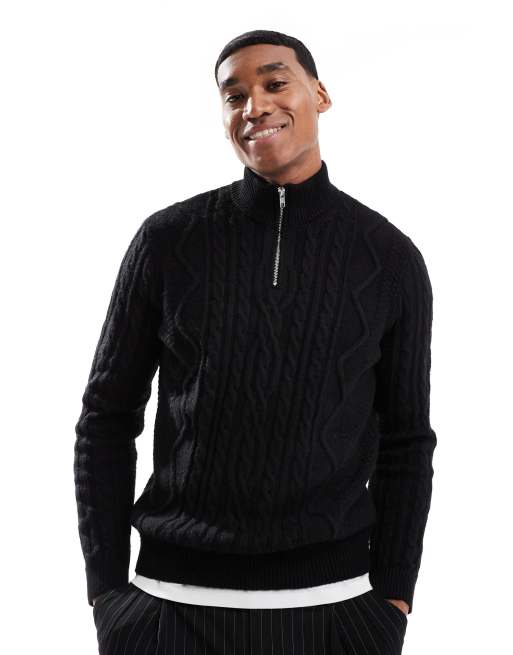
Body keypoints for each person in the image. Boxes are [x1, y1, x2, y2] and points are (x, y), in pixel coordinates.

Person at [74, 29, 437, 654]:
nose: (255, 107)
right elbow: (106, 418)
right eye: (234, 95)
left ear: (319, 95)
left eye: (275, 83)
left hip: (335, 613)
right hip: (168, 610)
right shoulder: (167, 241)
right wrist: (106, 592)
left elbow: (406, 441)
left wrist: (393, 600)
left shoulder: (389, 258)